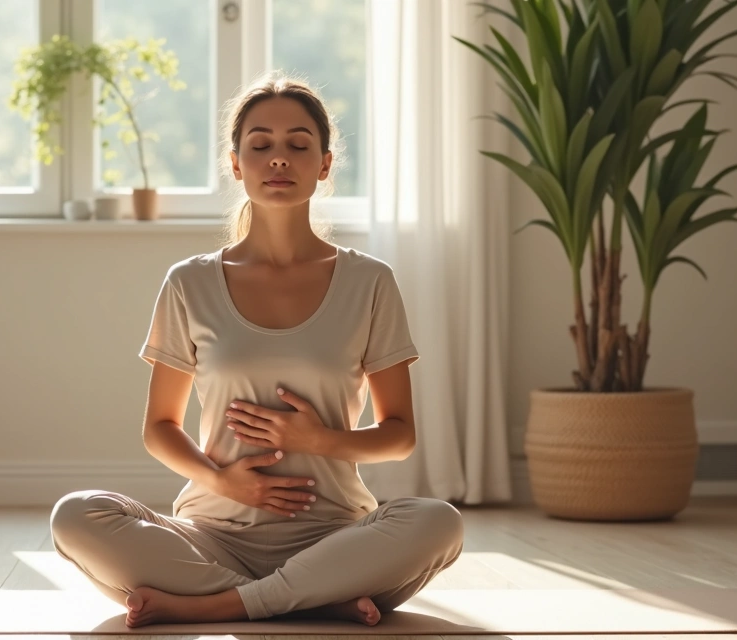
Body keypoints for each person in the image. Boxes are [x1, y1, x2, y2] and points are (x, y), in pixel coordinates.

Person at [49, 73, 464, 629]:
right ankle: (312, 600)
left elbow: (400, 434)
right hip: (211, 538)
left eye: (298, 145)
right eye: (260, 145)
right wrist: (224, 481)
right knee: (76, 515)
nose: (279, 159)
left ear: (324, 164)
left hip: (337, 536)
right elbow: (161, 428)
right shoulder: (188, 283)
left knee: (438, 521)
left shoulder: (369, 281)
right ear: (236, 162)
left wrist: (318, 440)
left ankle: (224, 605)